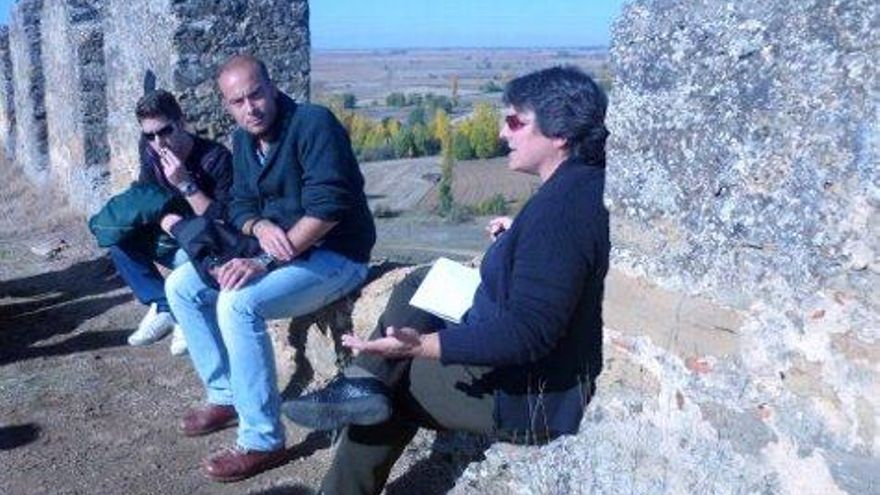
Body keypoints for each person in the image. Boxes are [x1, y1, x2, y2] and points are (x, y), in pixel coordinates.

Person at [283, 66, 610, 494]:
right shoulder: (581, 184)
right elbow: (559, 256)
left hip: (533, 395)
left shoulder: (559, 211)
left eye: (514, 121)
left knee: (387, 392)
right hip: (521, 354)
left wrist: (421, 346)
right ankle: (363, 379)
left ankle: (361, 398)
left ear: (560, 133)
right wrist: (518, 238)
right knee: (422, 281)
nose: (502, 132)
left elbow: (529, 333)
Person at [164, 54, 376, 482]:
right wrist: (258, 226)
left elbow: (331, 207)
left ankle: (262, 439)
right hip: (284, 253)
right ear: (227, 105)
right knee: (183, 286)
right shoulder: (244, 141)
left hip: (336, 255)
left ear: (272, 86)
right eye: (238, 101)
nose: (251, 108)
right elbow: (239, 204)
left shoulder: (313, 123)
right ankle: (226, 395)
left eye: (256, 94)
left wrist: (265, 260)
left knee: (237, 304)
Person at [110, 90, 232, 355]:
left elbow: (222, 221)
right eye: (149, 135)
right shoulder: (150, 151)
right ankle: (165, 306)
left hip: (205, 244)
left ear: (181, 121)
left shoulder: (216, 158)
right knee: (117, 239)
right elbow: (146, 195)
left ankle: (184, 313)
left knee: (195, 242)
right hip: (172, 232)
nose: (158, 142)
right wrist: (167, 221)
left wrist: (184, 183)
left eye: (165, 131)